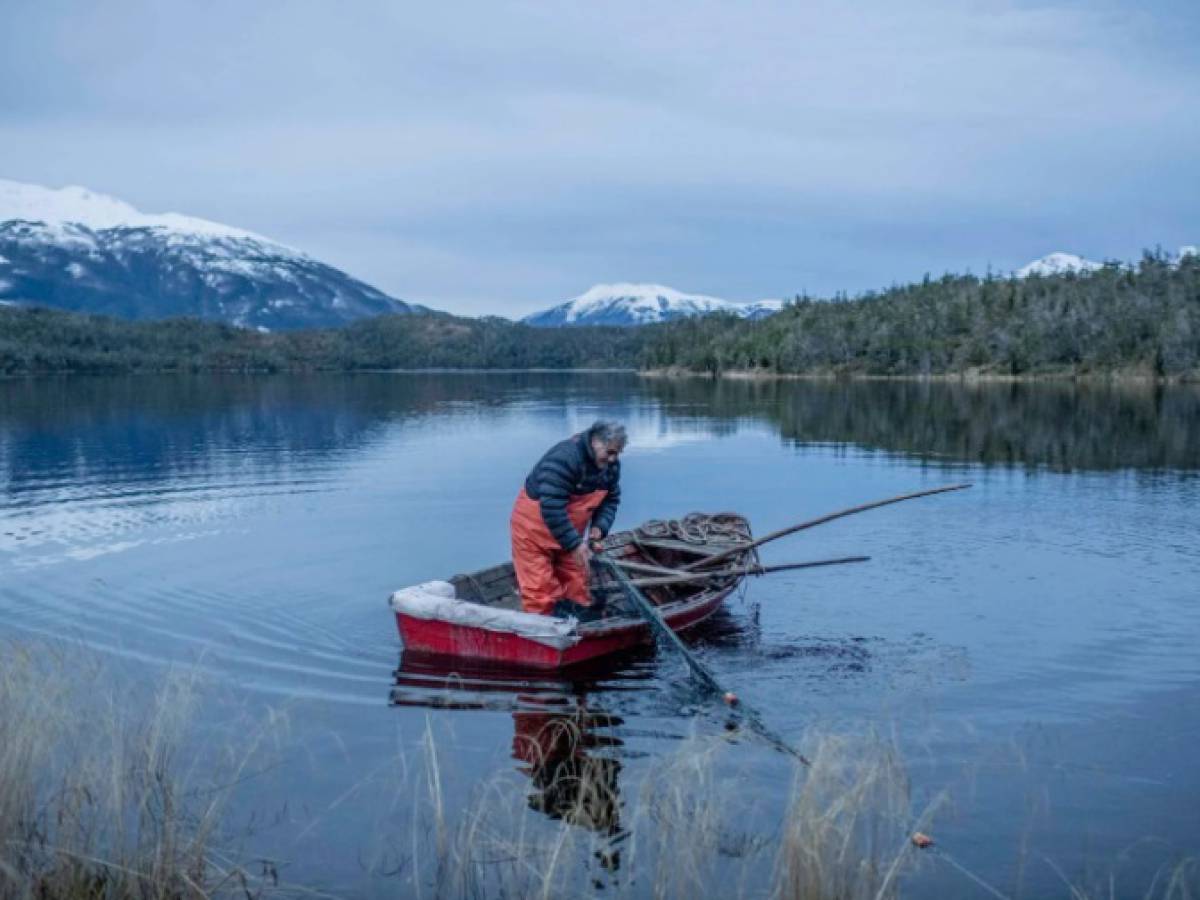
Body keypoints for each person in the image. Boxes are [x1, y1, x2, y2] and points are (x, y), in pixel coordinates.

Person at [510, 420, 625, 619]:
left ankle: (581, 628)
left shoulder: (610, 467)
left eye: (617, 453)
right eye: (610, 452)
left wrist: (600, 526)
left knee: (578, 584)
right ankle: (544, 632)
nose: (613, 459)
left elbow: (610, 499)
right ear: (596, 442)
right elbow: (552, 507)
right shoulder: (565, 458)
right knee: (539, 590)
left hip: (570, 533)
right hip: (533, 532)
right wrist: (574, 544)